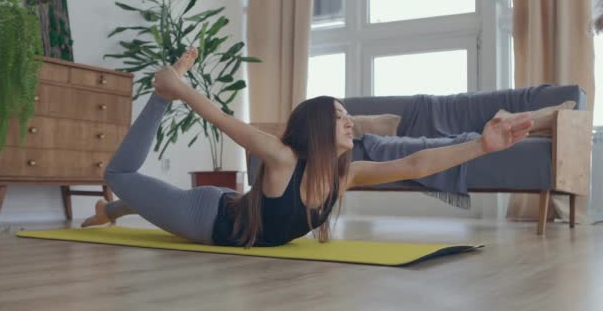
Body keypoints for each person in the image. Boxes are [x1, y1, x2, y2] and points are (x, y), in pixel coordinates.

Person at [82, 47, 534, 248]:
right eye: (338, 116)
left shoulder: (347, 174)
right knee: (120, 176)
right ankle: (123, 192)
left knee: (142, 205)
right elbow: (220, 118)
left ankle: (115, 211)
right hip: (205, 217)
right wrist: (173, 89)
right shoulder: (281, 158)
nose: (349, 121)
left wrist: (480, 146)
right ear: (316, 129)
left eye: (346, 114)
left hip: (233, 204)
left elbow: (415, 162)